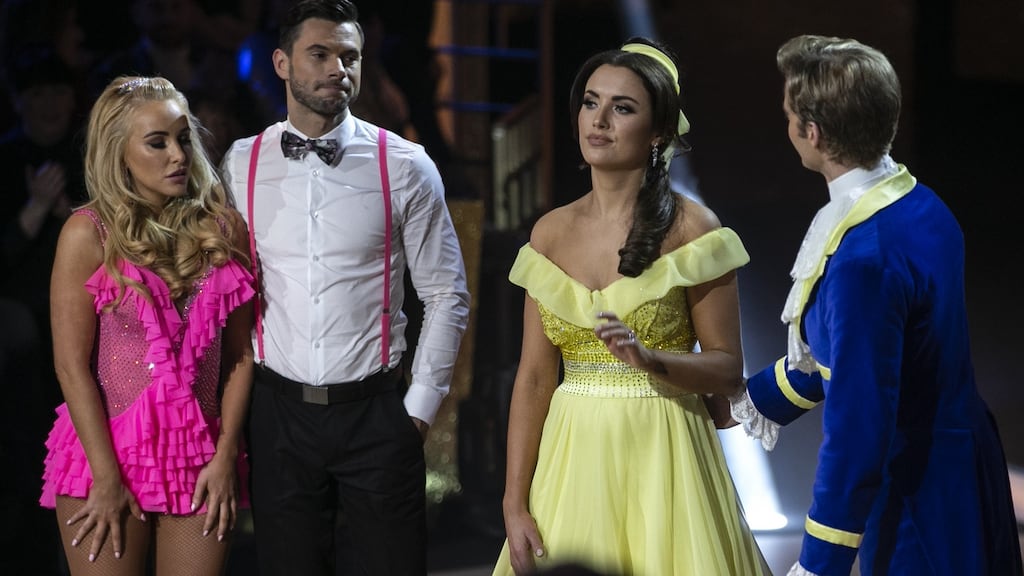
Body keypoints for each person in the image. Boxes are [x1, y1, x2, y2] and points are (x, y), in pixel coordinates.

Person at [731, 34, 1023, 576]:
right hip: (958, 463)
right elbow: (860, 359)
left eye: (789, 114)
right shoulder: (919, 202)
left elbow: (859, 421)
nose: (787, 124)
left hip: (918, 494)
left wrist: (819, 562)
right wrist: (754, 399)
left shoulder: (863, 257)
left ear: (812, 133)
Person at [493, 37, 767, 576]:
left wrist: (651, 360)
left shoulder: (694, 230)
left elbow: (727, 368)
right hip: (571, 462)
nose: (599, 120)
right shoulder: (550, 232)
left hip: (666, 455)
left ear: (659, 132)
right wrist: (515, 500)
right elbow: (532, 378)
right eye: (591, 102)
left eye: (623, 108)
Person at [218, 1, 470, 575]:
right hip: (278, 414)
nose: (339, 67)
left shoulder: (405, 165)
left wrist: (418, 412)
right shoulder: (240, 163)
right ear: (282, 63)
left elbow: (446, 293)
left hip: (376, 414)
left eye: (349, 56)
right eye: (321, 53)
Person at [39, 75, 256, 576]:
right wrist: (106, 474)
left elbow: (240, 356)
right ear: (119, 154)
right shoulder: (87, 233)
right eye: (157, 143)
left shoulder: (224, 229)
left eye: (183, 138)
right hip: (103, 455)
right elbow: (71, 366)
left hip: (200, 456)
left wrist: (226, 456)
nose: (178, 155)